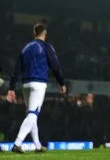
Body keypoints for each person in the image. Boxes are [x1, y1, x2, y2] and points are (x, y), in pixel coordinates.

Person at [7, 23, 66, 154]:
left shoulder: (26, 48)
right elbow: (55, 66)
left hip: (26, 83)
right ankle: (17, 143)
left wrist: (11, 87)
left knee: (31, 114)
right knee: (33, 114)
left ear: (34, 33)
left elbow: (16, 69)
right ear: (45, 34)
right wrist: (61, 83)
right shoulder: (46, 47)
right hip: (38, 83)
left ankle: (38, 146)